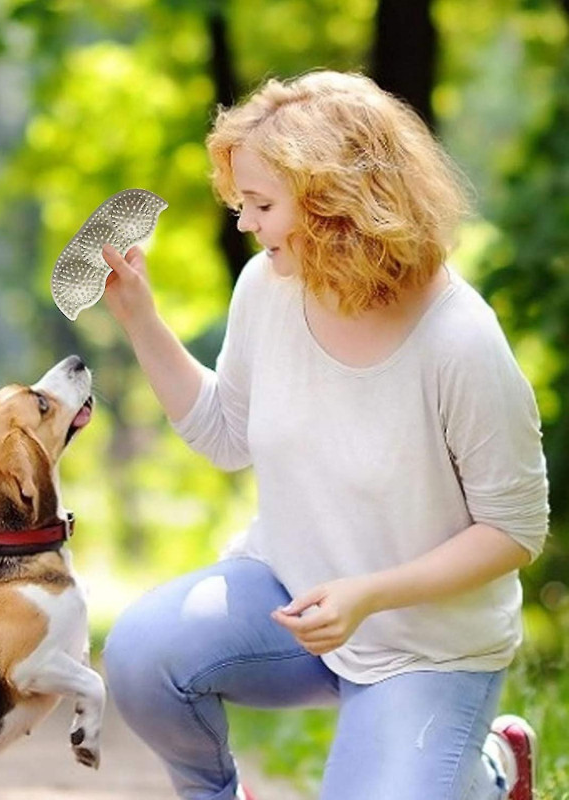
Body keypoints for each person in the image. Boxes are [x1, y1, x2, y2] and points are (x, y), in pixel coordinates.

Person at [100, 70, 548, 800]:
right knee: (143, 654)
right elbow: (224, 435)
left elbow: (516, 531)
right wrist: (141, 321)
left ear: (337, 207)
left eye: (262, 204)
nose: (245, 223)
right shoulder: (267, 288)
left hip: (424, 645)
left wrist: (369, 595)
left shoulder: (461, 341)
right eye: (242, 202)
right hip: (292, 600)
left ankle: (491, 772)